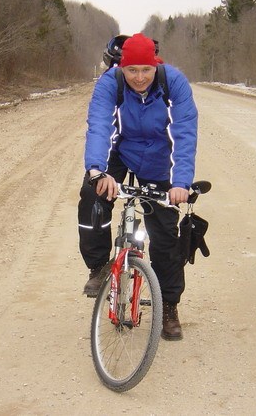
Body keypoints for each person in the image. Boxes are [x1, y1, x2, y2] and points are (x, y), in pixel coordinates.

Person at [77, 33, 198, 341]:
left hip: (159, 157)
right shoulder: (110, 83)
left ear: (156, 66)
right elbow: (100, 126)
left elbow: (184, 133)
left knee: (165, 233)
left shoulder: (174, 83)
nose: (140, 77)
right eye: (132, 70)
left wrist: (180, 183)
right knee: (93, 195)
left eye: (146, 70)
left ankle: (169, 306)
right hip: (121, 148)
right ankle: (98, 268)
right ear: (122, 68)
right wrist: (96, 170)